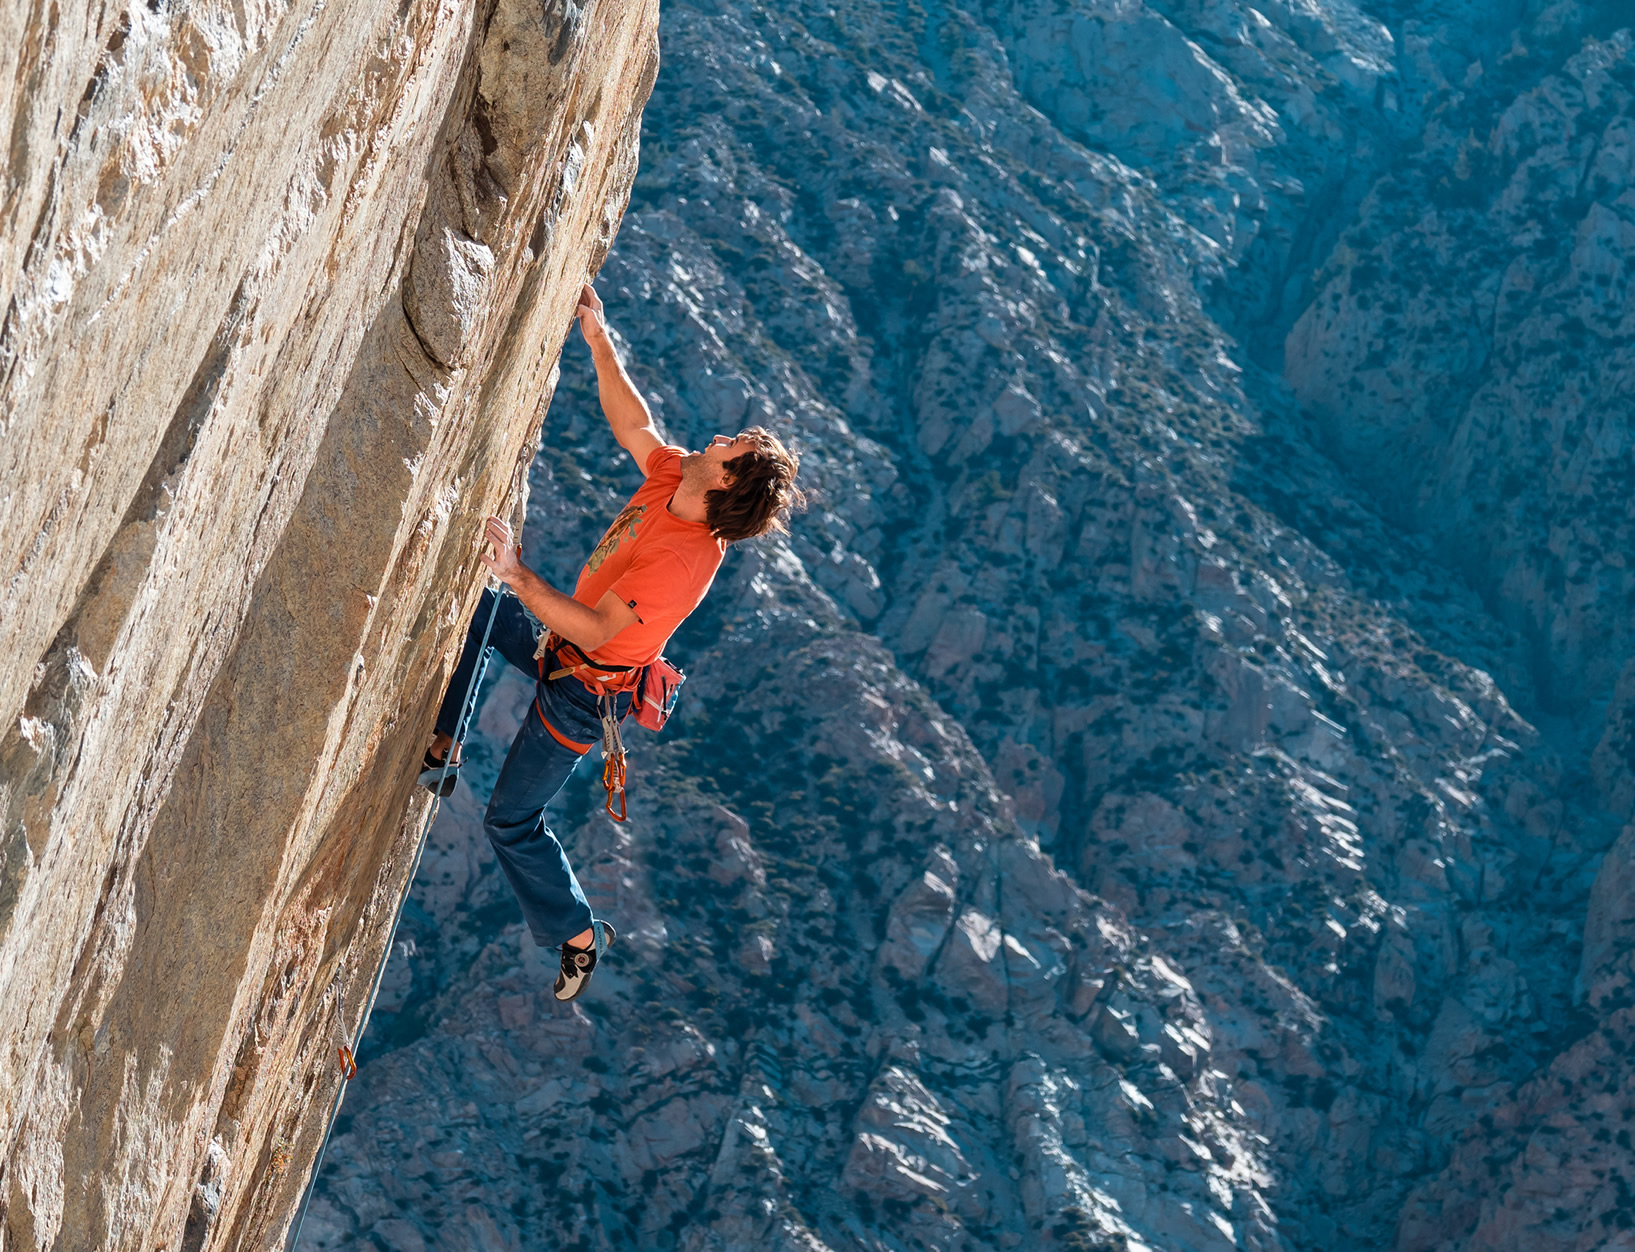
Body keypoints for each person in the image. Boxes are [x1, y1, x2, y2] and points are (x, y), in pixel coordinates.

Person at [421, 283, 803, 1002]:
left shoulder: (684, 560)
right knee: (474, 611)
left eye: (730, 444)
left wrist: (517, 574)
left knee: (511, 821)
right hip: (558, 646)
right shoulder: (673, 480)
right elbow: (636, 426)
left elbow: (596, 630)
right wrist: (598, 338)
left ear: (726, 480)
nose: (716, 437)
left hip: (582, 692)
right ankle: (442, 748)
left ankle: (577, 935)